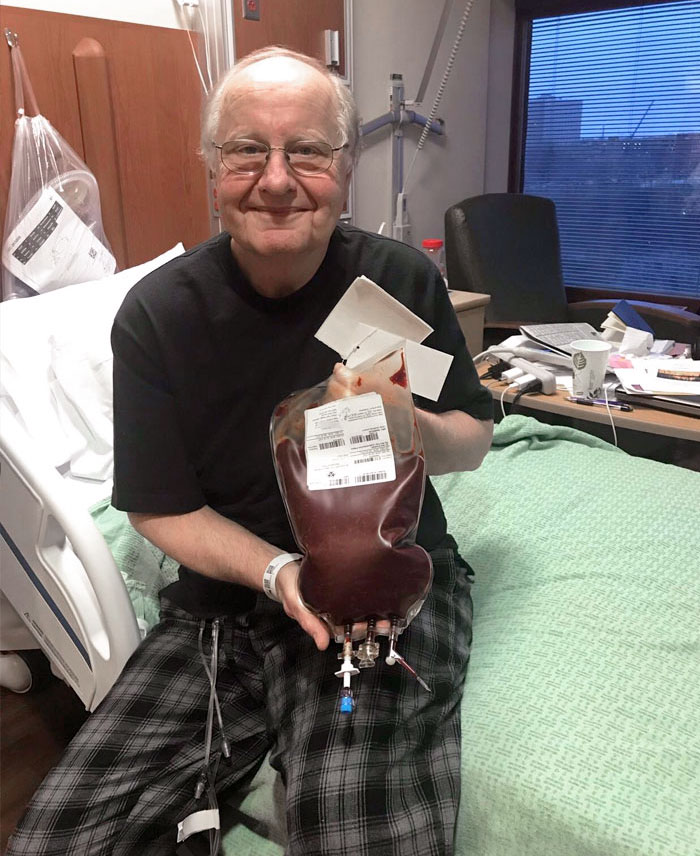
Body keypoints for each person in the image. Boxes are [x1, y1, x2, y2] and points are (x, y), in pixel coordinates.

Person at [6, 47, 494, 856]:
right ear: (212, 169)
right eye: (246, 151)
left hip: (379, 587)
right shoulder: (159, 318)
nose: (276, 179)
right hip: (227, 604)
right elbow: (159, 508)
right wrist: (279, 573)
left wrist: (411, 424)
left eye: (307, 150)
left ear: (347, 167)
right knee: (57, 835)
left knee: (355, 827)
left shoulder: (397, 283)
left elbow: (472, 441)